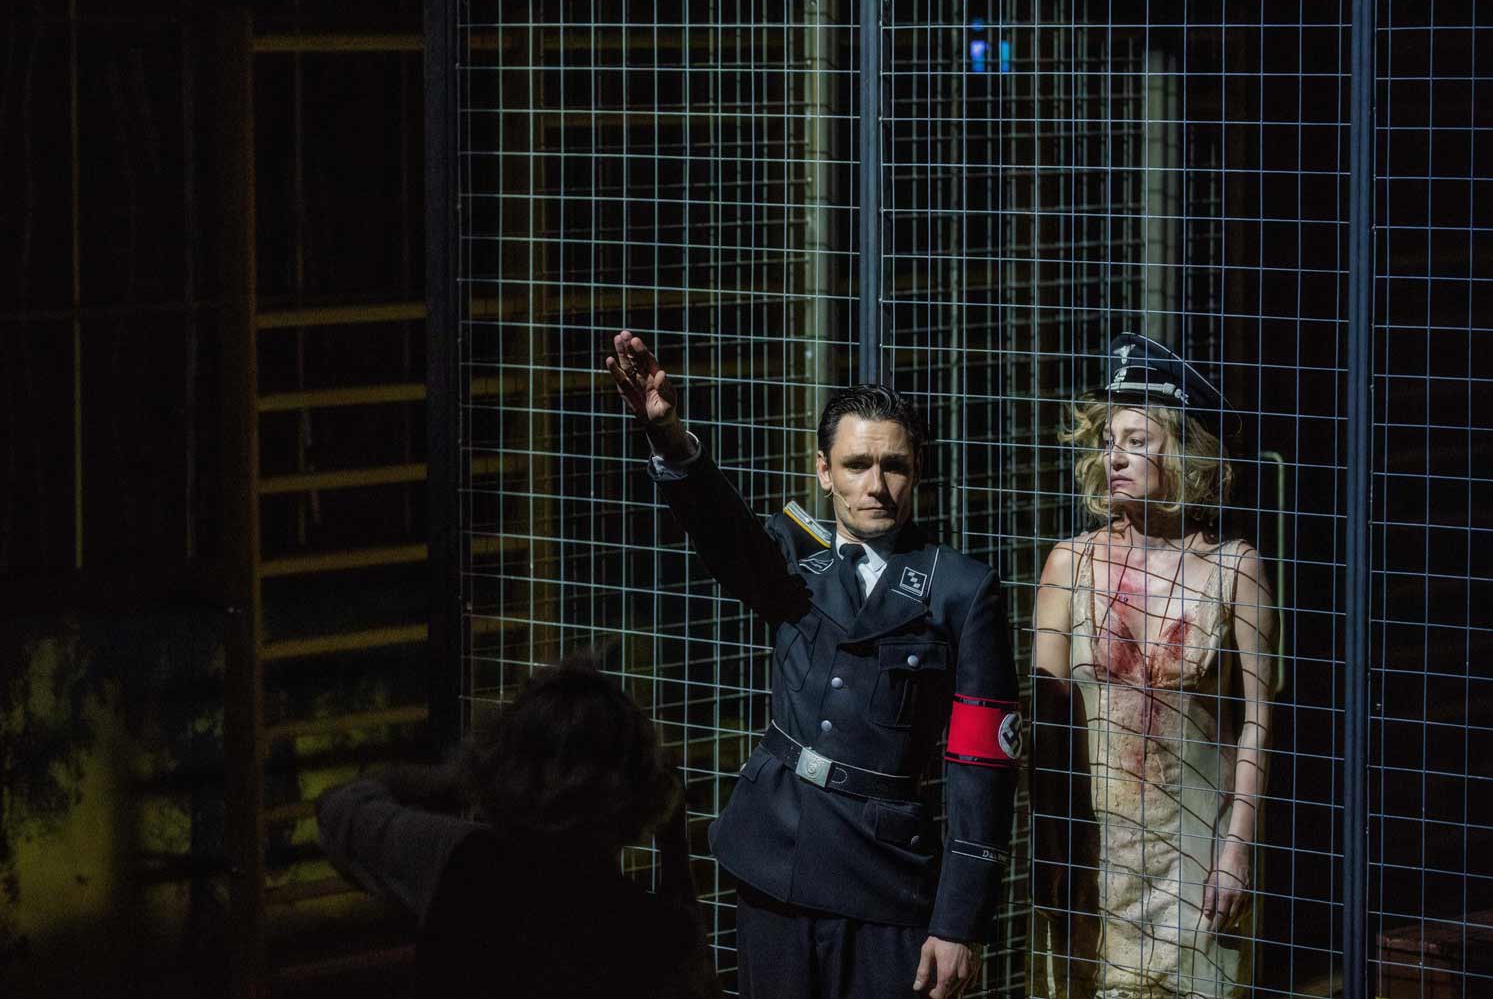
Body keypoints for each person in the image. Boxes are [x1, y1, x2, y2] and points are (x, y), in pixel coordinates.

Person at [605, 330, 1021, 999]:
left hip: (886, 877)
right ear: (824, 471)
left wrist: (959, 921)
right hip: (778, 856)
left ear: (918, 470)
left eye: (894, 466)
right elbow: (723, 532)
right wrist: (668, 434)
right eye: (857, 465)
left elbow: (983, 767)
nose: (876, 486)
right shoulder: (791, 553)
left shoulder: (962, 590)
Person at [1030, 334, 1277, 998]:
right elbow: (1046, 726)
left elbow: (1259, 721)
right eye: (1108, 440)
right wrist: (1049, 847)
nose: (1114, 457)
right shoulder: (1070, 565)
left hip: (1195, 855)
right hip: (1094, 855)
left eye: (1137, 441)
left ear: (1185, 451)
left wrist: (1238, 848)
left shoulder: (1235, 569)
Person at [316, 656, 722, 999]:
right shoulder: (654, 937)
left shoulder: (460, 860)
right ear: (642, 792)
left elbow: (340, 806)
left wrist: (458, 778)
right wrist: (674, 849)